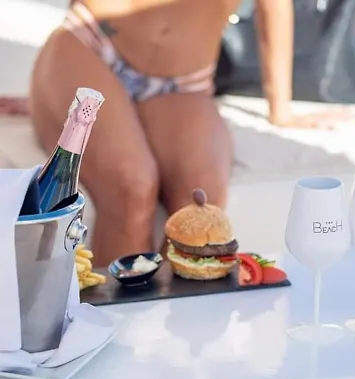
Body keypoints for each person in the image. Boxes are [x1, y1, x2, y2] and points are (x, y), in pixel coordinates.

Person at [28, 0, 333, 266]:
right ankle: (111, 314)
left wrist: (280, 109)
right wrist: (57, 86)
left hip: (184, 81)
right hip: (92, 43)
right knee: (132, 186)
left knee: (200, 210)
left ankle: (162, 314)